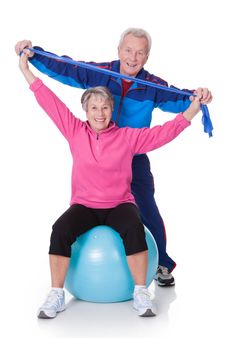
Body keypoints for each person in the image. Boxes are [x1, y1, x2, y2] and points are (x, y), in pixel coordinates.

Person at [15, 28, 212, 287]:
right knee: (82, 210)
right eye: (128, 50)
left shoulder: (152, 85)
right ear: (119, 50)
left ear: (147, 56)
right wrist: (35, 55)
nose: (133, 57)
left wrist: (198, 97)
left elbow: (180, 99)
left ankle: (162, 263)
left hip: (133, 152)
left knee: (147, 210)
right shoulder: (101, 73)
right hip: (96, 152)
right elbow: (68, 68)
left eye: (140, 52)